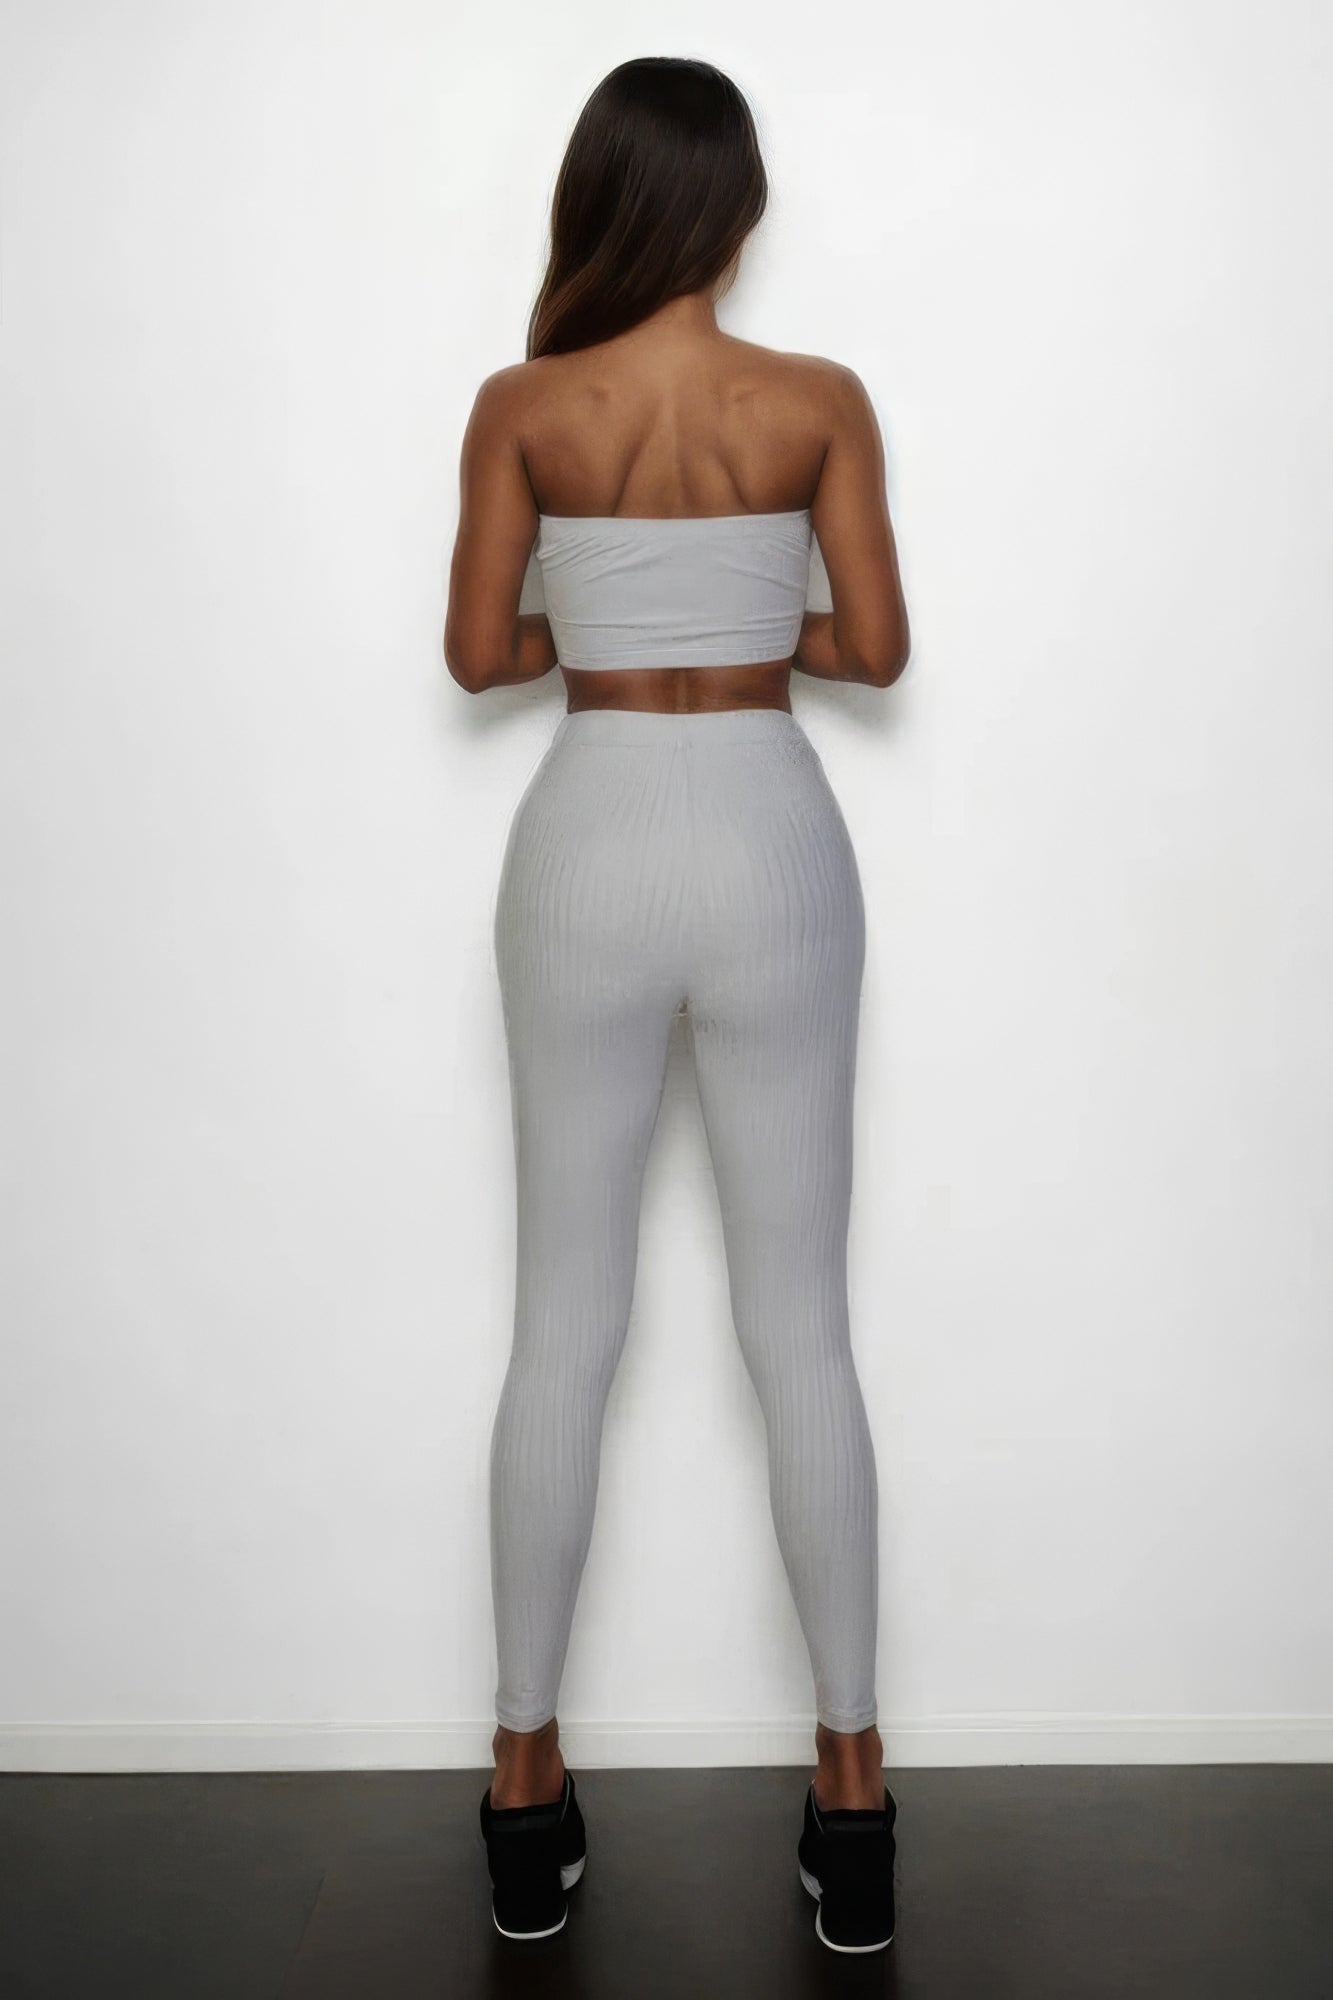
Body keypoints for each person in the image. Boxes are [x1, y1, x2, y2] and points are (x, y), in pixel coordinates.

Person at [444, 56, 911, 1954]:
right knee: (800, 1327)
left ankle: (522, 1786)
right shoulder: (815, 401)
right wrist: (736, 619)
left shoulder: (524, 406)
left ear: (598, 198)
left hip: (587, 841)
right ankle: (854, 1797)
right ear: (732, 211)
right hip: (776, 839)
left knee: (563, 1322)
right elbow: (873, 645)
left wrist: (615, 617)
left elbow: (477, 653)